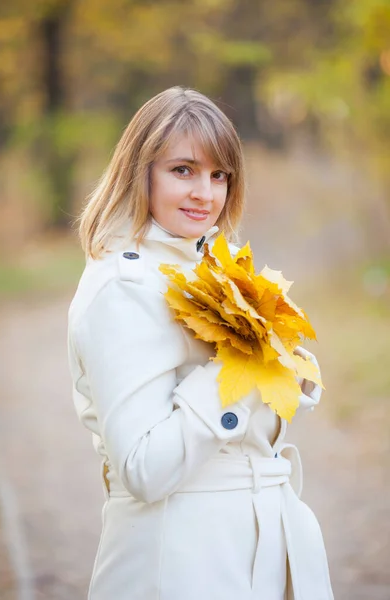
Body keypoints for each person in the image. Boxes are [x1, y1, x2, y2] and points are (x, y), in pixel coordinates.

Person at [67, 86, 334, 600]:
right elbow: (144, 468)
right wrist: (238, 364)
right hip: (181, 559)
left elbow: (250, 421)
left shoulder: (214, 267)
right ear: (138, 170)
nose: (205, 194)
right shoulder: (123, 289)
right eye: (183, 170)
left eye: (219, 175)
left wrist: (282, 365)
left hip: (259, 540)